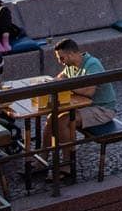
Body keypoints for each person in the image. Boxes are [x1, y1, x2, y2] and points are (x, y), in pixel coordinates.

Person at [47, 38, 118, 177]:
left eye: (61, 58)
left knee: (63, 121)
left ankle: (67, 165)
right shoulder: (71, 65)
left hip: (103, 109)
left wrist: (66, 84)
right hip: (87, 107)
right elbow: (61, 77)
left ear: (72, 54)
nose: (60, 62)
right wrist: (52, 82)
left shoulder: (92, 65)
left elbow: (88, 91)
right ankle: (40, 160)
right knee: (51, 119)